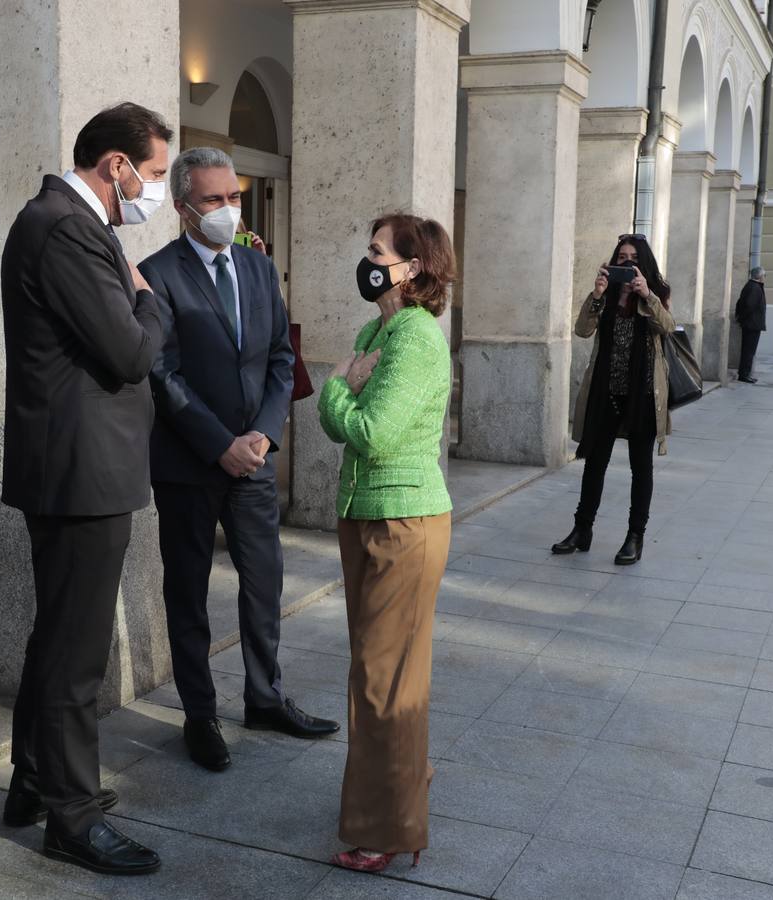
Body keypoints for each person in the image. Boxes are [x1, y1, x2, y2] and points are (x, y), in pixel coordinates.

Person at [0, 102, 171, 875]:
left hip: (77, 465)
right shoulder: (66, 226)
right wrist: (148, 295)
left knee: (58, 636)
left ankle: (34, 780)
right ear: (116, 165)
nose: (154, 191)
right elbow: (130, 353)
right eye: (156, 174)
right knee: (76, 653)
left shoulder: (66, 222)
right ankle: (72, 816)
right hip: (81, 469)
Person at [139, 148, 338, 774]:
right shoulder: (156, 274)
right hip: (189, 465)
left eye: (235, 198)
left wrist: (260, 436)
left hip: (252, 461)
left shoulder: (258, 268)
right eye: (214, 201)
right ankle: (199, 714)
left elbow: (281, 357)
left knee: (263, 583)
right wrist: (216, 443)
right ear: (182, 208)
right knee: (188, 593)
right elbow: (160, 370)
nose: (228, 210)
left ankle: (264, 696)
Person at [318, 213, 455, 873]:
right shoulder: (376, 329)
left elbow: (370, 432)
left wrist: (339, 390)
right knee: (379, 671)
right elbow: (337, 416)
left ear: (413, 267)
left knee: (383, 680)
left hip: (404, 523)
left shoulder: (416, 339)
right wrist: (341, 393)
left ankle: (392, 827)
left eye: (377, 251)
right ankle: (406, 775)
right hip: (366, 515)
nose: (366, 259)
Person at [552, 234, 675, 565]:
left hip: (643, 394)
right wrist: (596, 294)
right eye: (622, 256)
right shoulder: (604, 295)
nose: (627, 261)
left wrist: (646, 293)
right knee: (594, 462)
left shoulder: (657, 292)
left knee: (640, 467)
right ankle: (582, 530)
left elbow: (668, 327)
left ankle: (635, 537)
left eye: (634, 256)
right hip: (606, 390)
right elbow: (582, 330)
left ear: (644, 262)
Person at [734, 267, 767, 384]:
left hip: (751, 324)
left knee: (748, 350)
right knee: (749, 351)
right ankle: (744, 374)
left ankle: (745, 373)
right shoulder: (755, 288)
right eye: (764, 275)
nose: (765, 278)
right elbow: (749, 306)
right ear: (759, 276)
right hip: (752, 325)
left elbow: (741, 303)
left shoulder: (752, 286)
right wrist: (743, 319)